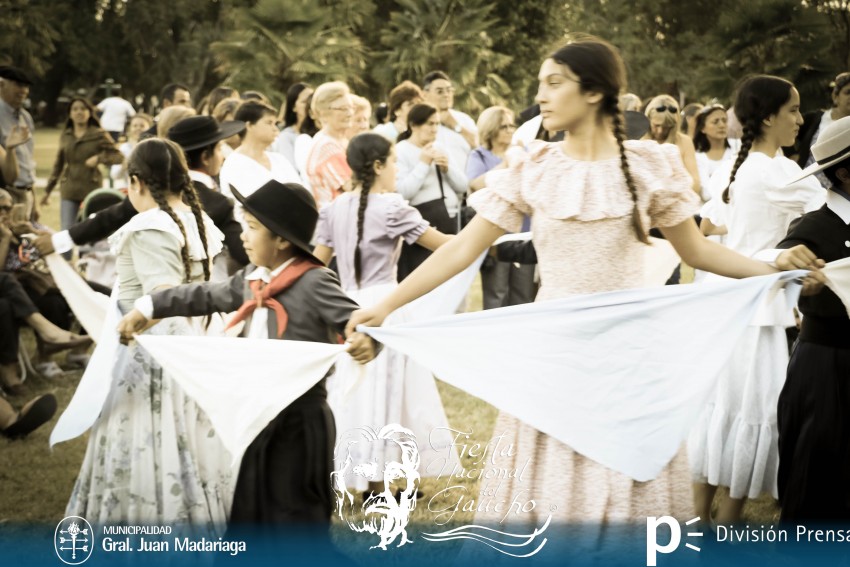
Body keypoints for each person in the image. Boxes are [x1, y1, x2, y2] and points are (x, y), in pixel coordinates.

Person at [346, 37, 823, 531]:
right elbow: (462, 250)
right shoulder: (534, 167)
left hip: (629, 358)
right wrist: (385, 308)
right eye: (540, 85)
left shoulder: (647, 166)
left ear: (594, 92)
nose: (543, 96)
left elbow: (699, 251)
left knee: (624, 479)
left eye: (554, 83)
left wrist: (776, 271)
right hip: (555, 358)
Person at [117, 179, 376, 527]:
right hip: (258, 419)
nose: (242, 235)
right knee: (252, 517)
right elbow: (204, 295)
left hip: (300, 423)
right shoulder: (251, 280)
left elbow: (360, 323)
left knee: (296, 523)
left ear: (282, 239)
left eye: (252, 228)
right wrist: (149, 306)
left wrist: (366, 340)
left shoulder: (315, 281)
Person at [66, 138, 233, 529]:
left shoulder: (150, 226)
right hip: (194, 343)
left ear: (138, 181)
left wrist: (139, 318)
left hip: (155, 353)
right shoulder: (194, 218)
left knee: (153, 441)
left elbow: (164, 294)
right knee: (189, 441)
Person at [688, 75, 824, 527]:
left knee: (719, 408)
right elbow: (830, 211)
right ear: (767, 117)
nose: (801, 120)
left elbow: (711, 225)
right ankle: (726, 522)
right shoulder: (778, 172)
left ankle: (699, 517)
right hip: (761, 306)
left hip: (725, 300)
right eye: (793, 110)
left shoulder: (739, 167)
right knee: (754, 412)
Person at [313, 133, 454, 498]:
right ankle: (378, 484)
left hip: (347, 305)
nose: (396, 170)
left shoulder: (332, 209)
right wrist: (485, 239)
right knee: (388, 392)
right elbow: (448, 247)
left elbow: (316, 265)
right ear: (377, 166)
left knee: (356, 391)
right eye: (394, 162)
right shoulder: (393, 208)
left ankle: (369, 477)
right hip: (385, 306)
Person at [773, 115, 850, 521]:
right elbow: (779, 273)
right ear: (844, 173)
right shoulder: (812, 227)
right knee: (819, 477)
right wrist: (796, 278)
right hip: (828, 370)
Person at [467, 106, 537, 309]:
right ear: (490, 129)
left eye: (511, 125)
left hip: (523, 233)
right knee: (496, 293)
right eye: (503, 126)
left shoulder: (523, 152)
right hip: (493, 235)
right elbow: (475, 184)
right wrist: (506, 164)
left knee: (523, 295)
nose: (509, 130)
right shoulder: (479, 155)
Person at [167, 115, 249, 274]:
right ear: (205, 157)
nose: (223, 156)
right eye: (219, 149)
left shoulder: (156, 190)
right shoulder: (219, 204)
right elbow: (242, 253)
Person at [394, 103, 467, 280]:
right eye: (430, 124)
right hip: (418, 224)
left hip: (446, 218)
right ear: (413, 125)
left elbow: (463, 186)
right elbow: (403, 192)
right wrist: (423, 164)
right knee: (424, 278)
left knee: (449, 277)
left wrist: (447, 168)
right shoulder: (401, 150)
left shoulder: (440, 147)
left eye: (437, 124)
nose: (435, 129)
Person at [41, 97, 124, 232]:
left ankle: (86, 254)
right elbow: (58, 165)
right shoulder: (66, 135)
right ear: (70, 114)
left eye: (83, 109)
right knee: (66, 231)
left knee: (89, 232)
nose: (79, 112)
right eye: (75, 109)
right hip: (69, 189)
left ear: (90, 112)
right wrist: (47, 191)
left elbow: (119, 156)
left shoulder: (99, 134)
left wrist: (99, 158)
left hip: (91, 189)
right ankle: (65, 254)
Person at [219, 100, 300, 226]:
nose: (275, 129)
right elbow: (252, 206)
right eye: (269, 123)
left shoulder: (279, 160)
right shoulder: (234, 164)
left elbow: (300, 194)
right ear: (249, 125)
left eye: (275, 123)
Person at [304, 81, 355, 209]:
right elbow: (354, 188)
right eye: (343, 108)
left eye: (351, 107)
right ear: (322, 113)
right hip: (336, 221)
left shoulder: (340, 141)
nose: (349, 113)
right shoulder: (327, 147)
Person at [643, 94, 701, 194]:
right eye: (656, 125)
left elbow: (695, 183)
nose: (660, 131)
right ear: (648, 119)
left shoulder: (684, 141)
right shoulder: (640, 141)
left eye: (666, 127)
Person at [0, 66, 37, 219]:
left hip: (26, 193)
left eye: (26, 86)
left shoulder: (26, 117)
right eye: (18, 85)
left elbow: (28, 160)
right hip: (5, 196)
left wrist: (35, 200)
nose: (24, 91)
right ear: (1, 84)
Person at [422, 70, 477, 161]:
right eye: (440, 92)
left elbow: (479, 146)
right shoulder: (419, 121)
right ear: (425, 95)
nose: (446, 95)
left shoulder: (464, 119)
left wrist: (456, 125)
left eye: (449, 90)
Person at [693, 103, 741, 201]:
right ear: (702, 128)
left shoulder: (739, 146)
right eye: (715, 122)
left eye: (724, 120)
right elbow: (706, 194)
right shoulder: (698, 157)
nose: (722, 125)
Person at [271, 83, 312, 167]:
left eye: (311, 101)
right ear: (293, 107)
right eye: (304, 102)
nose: (309, 105)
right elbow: (290, 168)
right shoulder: (287, 137)